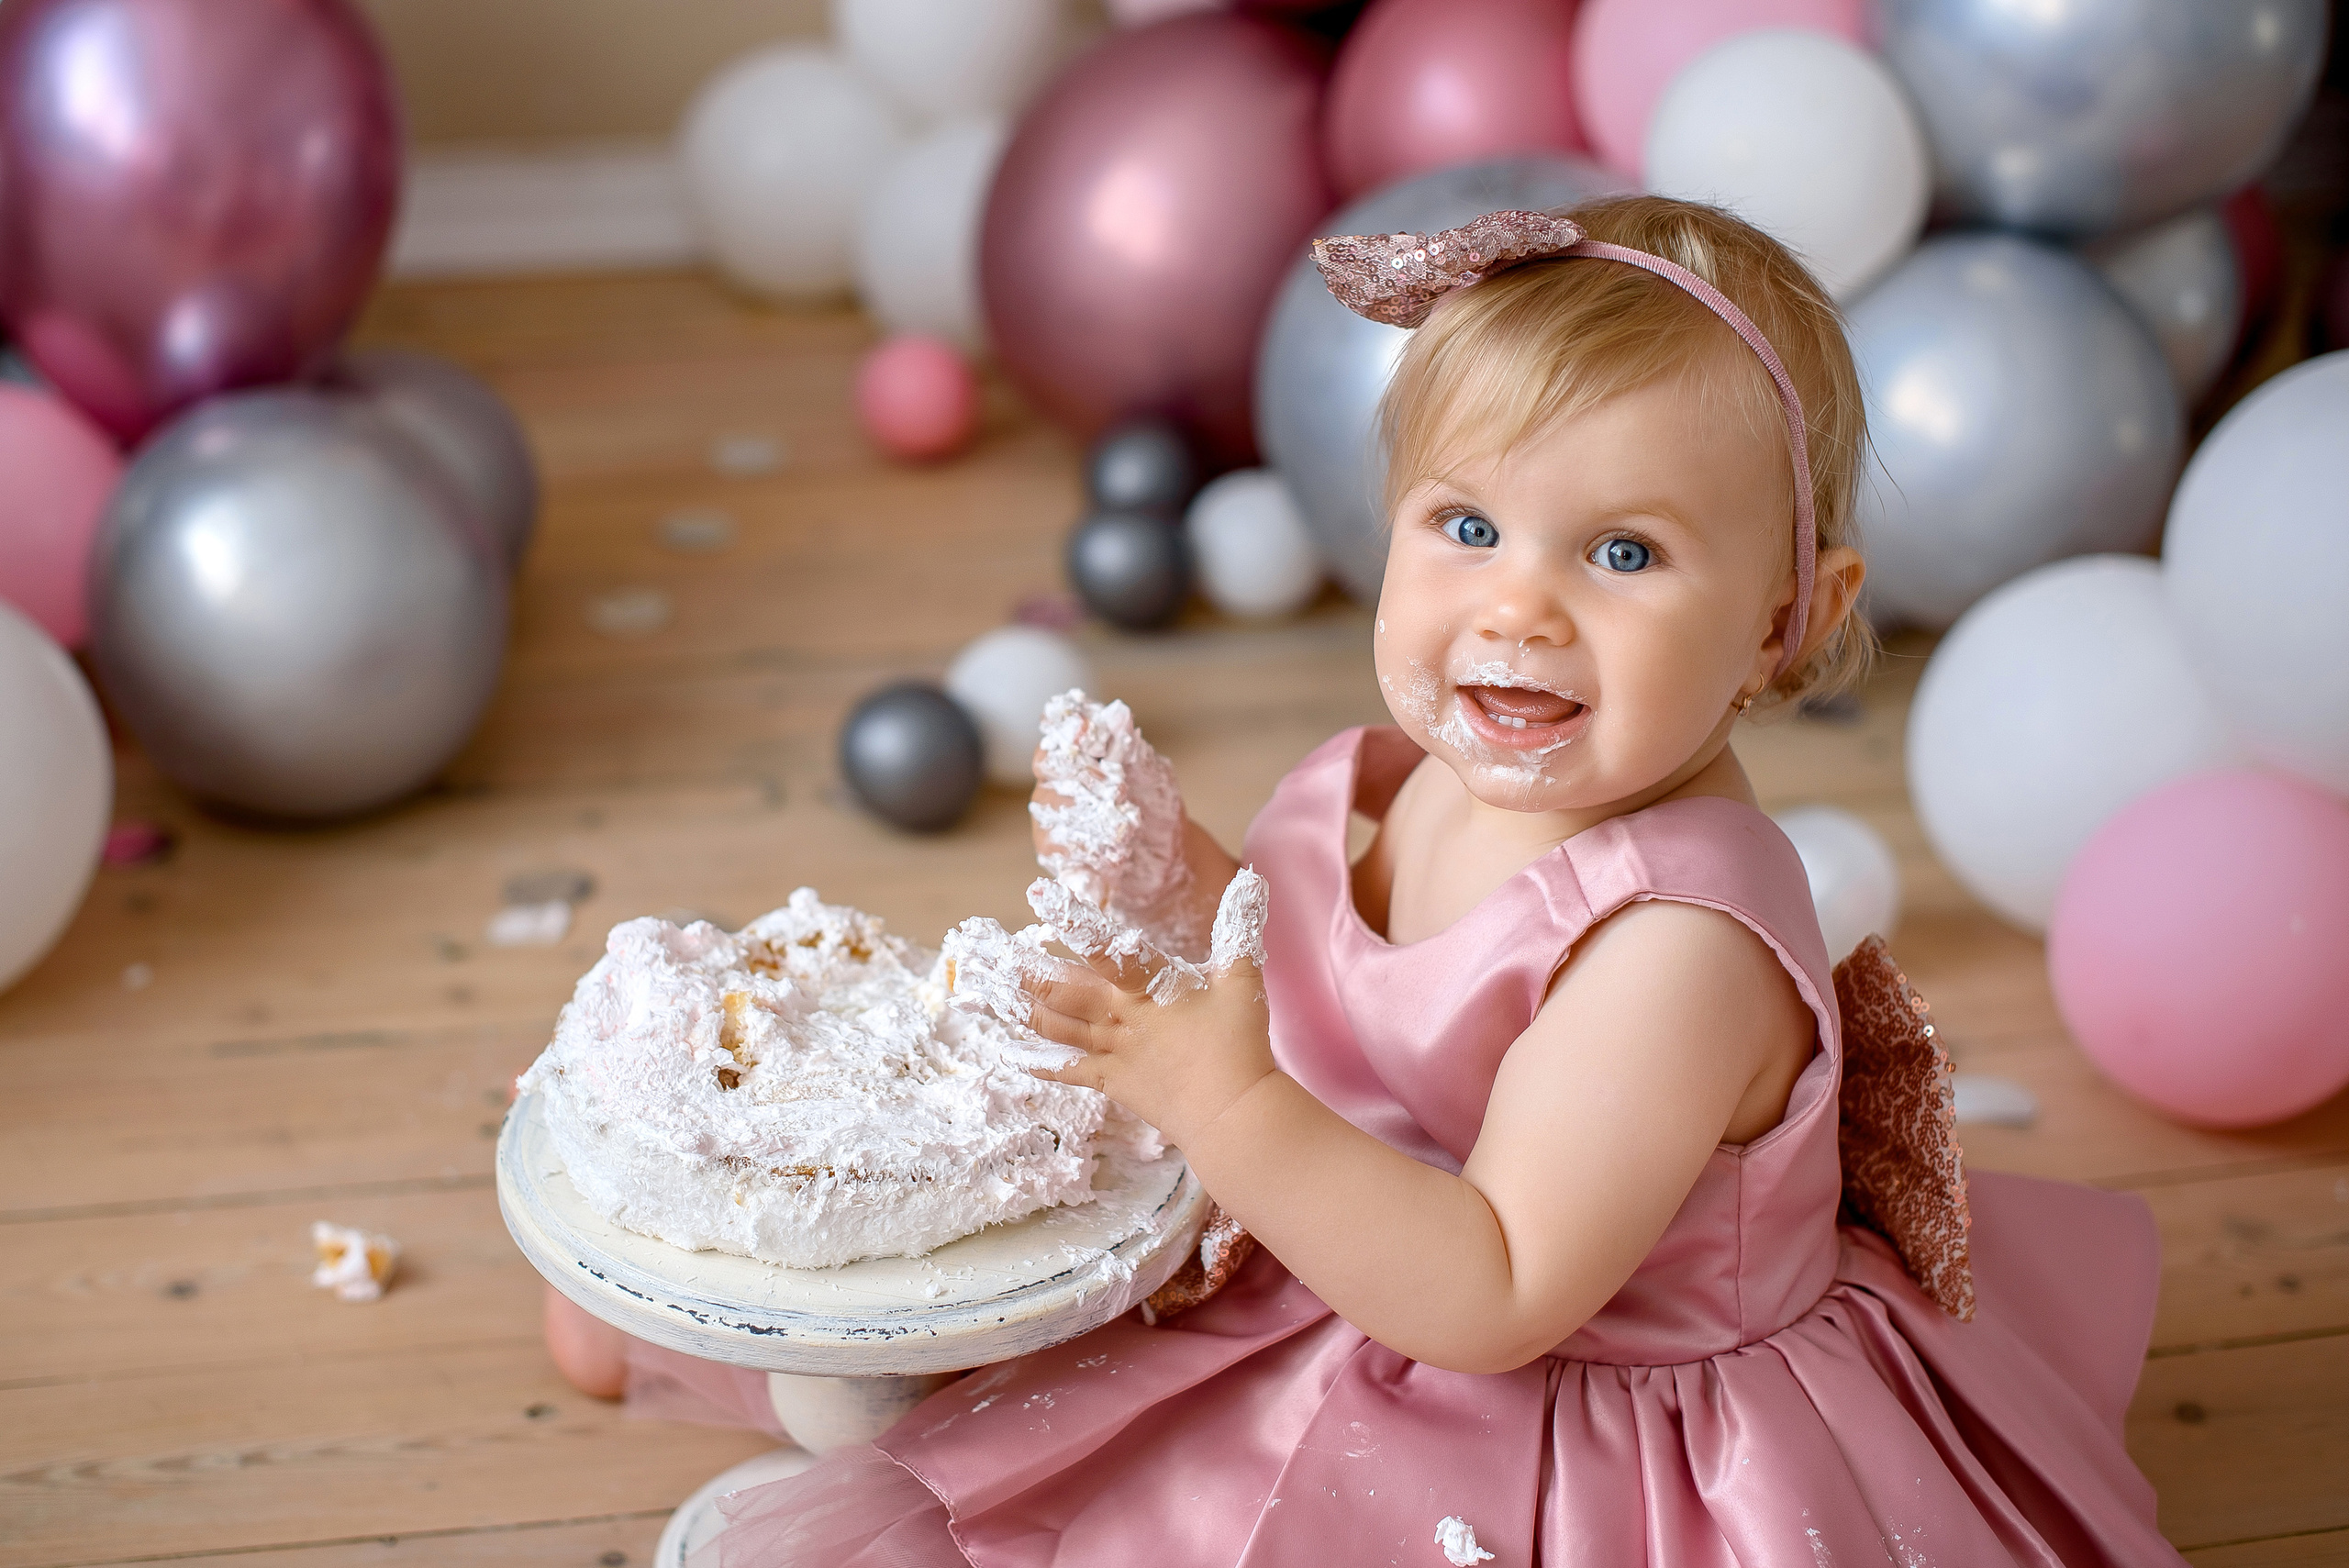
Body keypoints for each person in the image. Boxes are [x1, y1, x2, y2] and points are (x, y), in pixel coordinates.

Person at [555, 195, 2183, 1567]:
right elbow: (1324, 981)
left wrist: (1226, 1106)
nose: (1519, 608)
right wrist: (1178, 876)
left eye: (1624, 553)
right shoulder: (1408, 782)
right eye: (1467, 525)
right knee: (1009, 1371)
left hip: (1574, 1421)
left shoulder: (1675, 952)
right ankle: (747, 1353)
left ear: (1785, 620)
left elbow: (1494, 1290)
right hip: (1352, 1262)